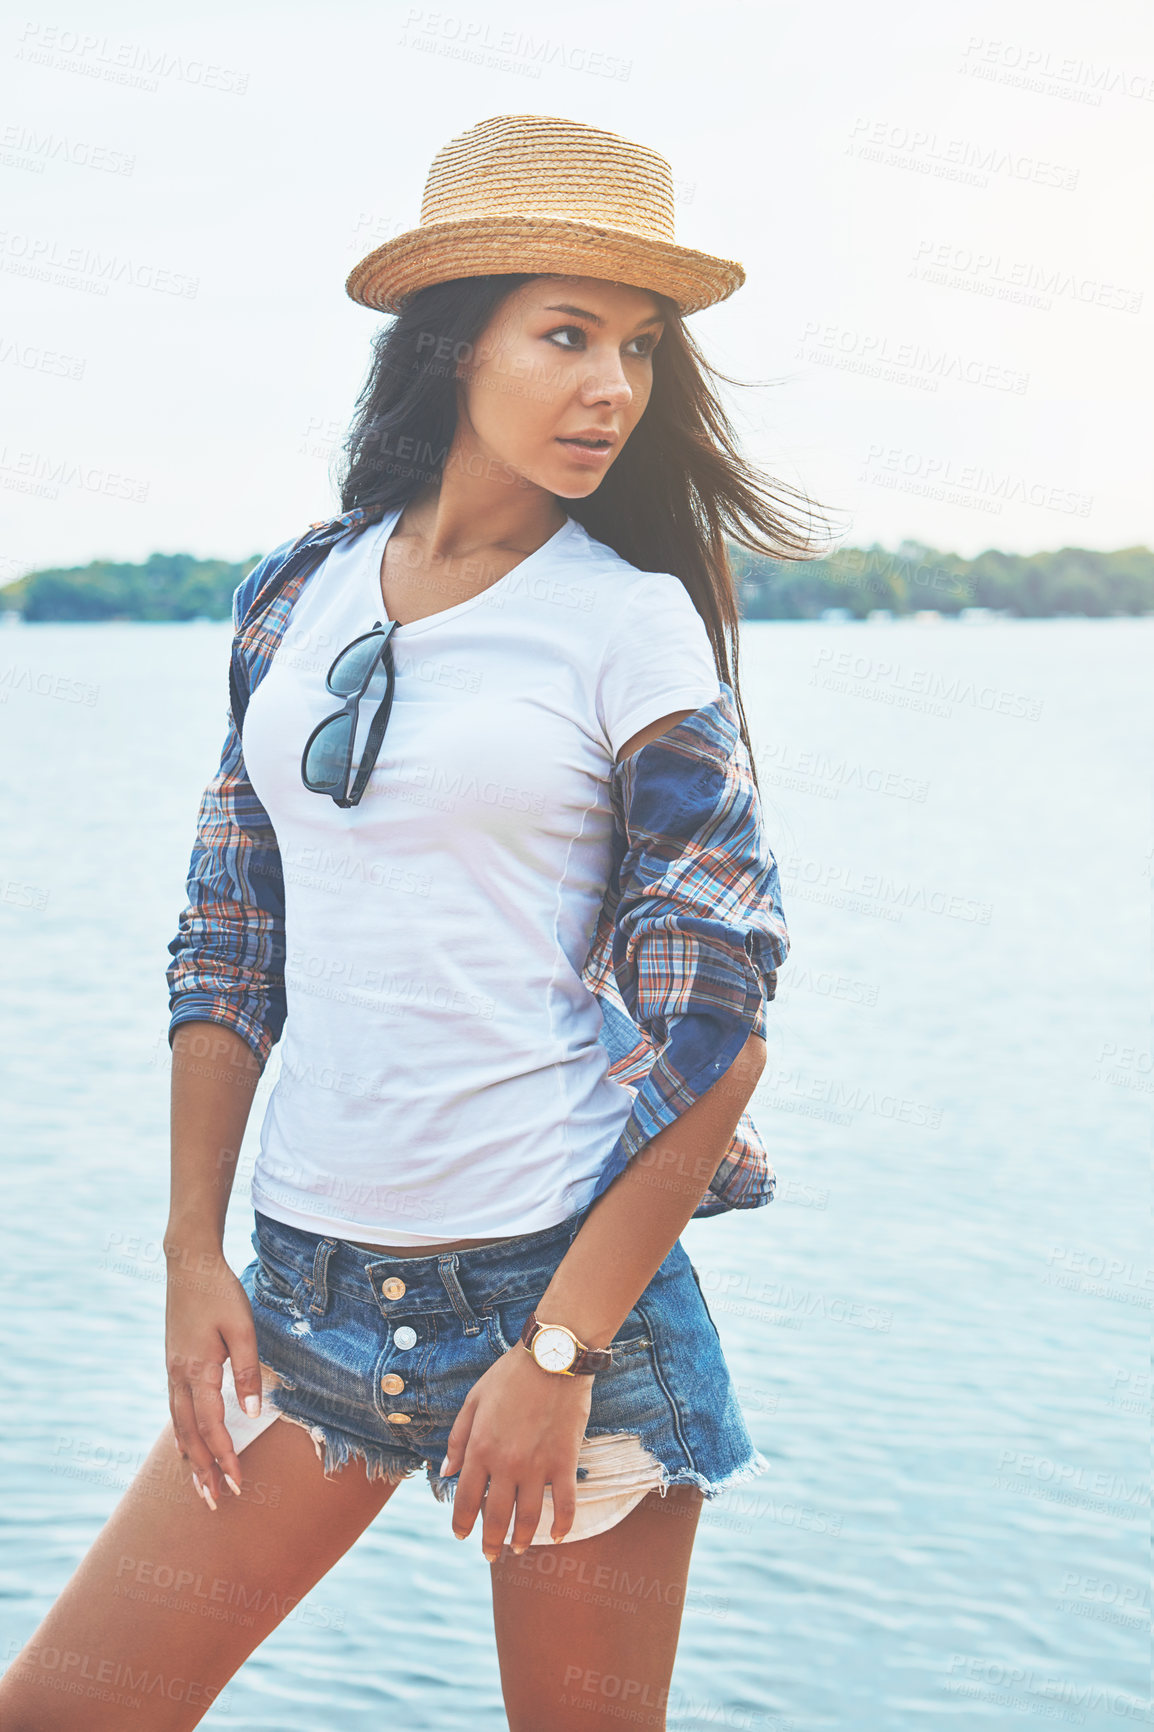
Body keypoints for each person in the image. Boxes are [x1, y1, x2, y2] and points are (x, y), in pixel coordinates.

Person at [0, 114, 827, 1731]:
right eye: (566, 335)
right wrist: (191, 1249)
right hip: (305, 1292)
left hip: (559, 1303)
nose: (611, 387)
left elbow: (719, 1022)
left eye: (638, 348)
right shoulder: (292, 597)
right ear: (453, 344)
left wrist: (565, 1353)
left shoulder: (627, 624)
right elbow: (230, 940)